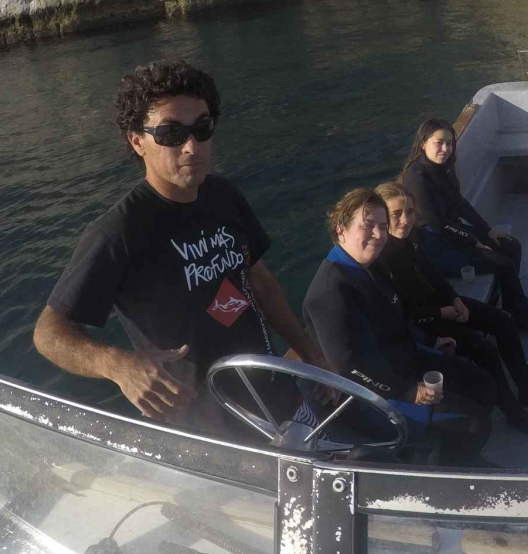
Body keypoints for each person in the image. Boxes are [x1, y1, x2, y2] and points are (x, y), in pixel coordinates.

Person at [34, 60, 324, 433]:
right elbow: (48, 332)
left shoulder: (224, 195)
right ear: (137, 141)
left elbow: (260, 281)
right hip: (208, 430)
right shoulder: (118, 231)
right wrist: (118, 366)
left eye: (202, 129)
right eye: (171, 134)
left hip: (279, 397)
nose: (192, 146)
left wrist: (310, 352)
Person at [302, 187, 494, 464]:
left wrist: (431, 342)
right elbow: (348, 365)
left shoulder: (371, 265)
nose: (379, 235)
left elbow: (396, 319)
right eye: (368, 226)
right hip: (369, 396)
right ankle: (452, 472)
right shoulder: (331, 290)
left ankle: (458, 451)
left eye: (382, 226)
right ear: (341, 229)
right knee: (475, 422)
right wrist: (408, 391)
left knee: (483, 384)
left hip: (404, 361)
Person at [371, 182, 528, 437]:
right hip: (420, 324)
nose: (405, 219)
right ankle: (514, 413)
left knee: (502, 321)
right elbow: (404, 315)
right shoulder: (381, 257)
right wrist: (442, 314)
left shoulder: (411, 237)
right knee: (483, 349)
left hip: (439, 306)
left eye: (409, 211)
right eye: (396, 214)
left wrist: (455, 299)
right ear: (381, 216)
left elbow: (432, 273)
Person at [399, 118, 528, 331]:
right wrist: (474, 242)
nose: (445, 149)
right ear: (423, 144)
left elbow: (460, 203)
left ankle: (512, 305)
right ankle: (520, 313)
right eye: (439, 143)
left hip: (452, 233)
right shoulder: (417, 178)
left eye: (449, 143)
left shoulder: (442, 168)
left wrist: (487, 230)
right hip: (435, 246)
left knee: (511, 245)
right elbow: (437, 224)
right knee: (502, 263)